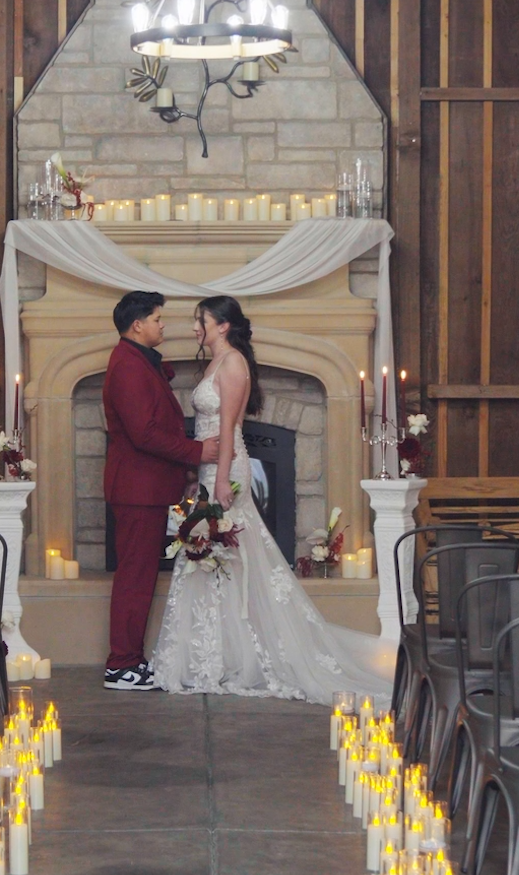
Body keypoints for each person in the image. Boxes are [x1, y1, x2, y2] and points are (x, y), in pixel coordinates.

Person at [150, 295, 395, 705]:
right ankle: (214, 654)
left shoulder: (232, 364)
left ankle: (237, 656)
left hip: (228, 468)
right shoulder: (215, 362)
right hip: (212, 470)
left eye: (201, 321)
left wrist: (222, 479)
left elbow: (228, 428)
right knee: (215, 560)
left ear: (222, 325)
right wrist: (198, 477)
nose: (195, 328)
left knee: (232, 556)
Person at [100, 291, 220, 691]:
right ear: (137, 325)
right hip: (137, 490)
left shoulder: (136, 362)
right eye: (156, 318)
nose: (162, 324)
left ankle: (129, 660)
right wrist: (198, 451)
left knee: (140, 576)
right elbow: (145, 434)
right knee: (135, 577)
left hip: (146, 488)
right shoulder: (128, 367)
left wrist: (184, 467)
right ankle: (121, 664)